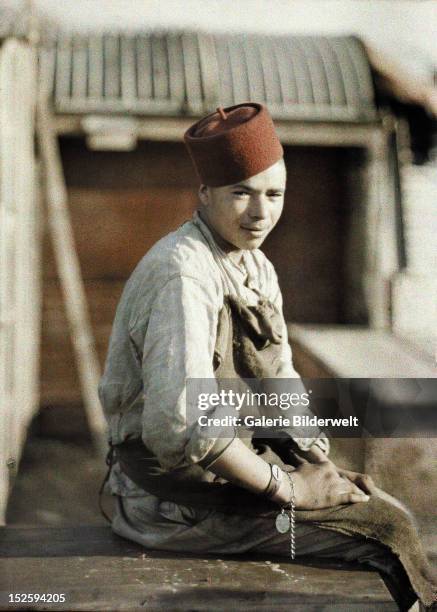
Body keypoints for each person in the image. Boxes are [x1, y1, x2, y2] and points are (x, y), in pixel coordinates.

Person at [99, 103, 436, 611]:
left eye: (273, 194)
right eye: (242, 193)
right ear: (205, 194)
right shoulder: (183, 275)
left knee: (379, 504)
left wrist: (319, 462)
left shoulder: (253, 264)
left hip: (221, 473)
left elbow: (277, 375)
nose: (261, 213)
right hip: (169, 502)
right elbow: (186, 428)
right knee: (383, 535)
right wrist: (292, 488)